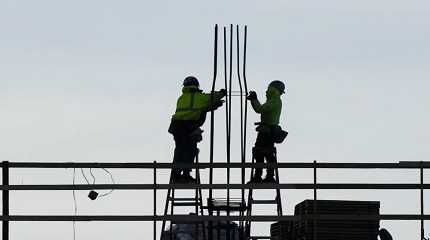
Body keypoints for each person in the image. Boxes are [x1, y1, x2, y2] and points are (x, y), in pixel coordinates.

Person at [168, 76, 226, 182]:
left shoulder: (182, 98)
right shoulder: (198, 97)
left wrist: (212, 106)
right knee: (190, 150)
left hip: (176, 126)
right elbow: (210, 98)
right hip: (186, 126)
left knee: (180, 149)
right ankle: (184, 175)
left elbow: (197, 109)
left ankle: (176, 175)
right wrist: (222, 93)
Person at [247, 80, 287, 183]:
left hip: (267, 131)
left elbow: (260, 109)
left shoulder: (275, 100)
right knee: (265, 153)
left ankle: (263, 176)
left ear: (271, 89)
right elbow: (261, 109)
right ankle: (267, 176)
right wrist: (254, 100)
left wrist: (254, 99)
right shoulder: (274, 100)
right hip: (268, 130)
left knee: (261, 152)